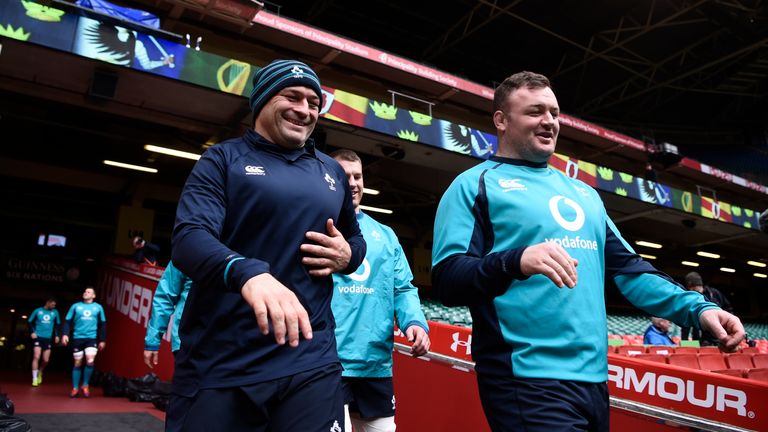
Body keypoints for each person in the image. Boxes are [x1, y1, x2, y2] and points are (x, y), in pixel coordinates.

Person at [430, 71, 745, 432]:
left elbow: (632, 272)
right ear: (501, 120)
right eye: (535, 112)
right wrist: (515, 261)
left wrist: (699, 310)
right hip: (525, 379)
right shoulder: (474, 185)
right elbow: (448, 279)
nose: (549, 121)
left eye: (555, 112)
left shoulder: (584, 194)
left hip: (594, 382)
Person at [170, 59, 366, 432]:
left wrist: (349, 255)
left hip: (311, 358)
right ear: (261, 101)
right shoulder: (222, 159)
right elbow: (189, 237)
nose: (304, 109)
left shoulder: (332, 173)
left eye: (313, 102)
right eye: (291, 96)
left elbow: (354, 240)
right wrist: (246, 273)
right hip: (225, 361)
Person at [330, 149, 430, 432]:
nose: (352, 183)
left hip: (375, 365)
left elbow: (403, 288)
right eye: (343, 176)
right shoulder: (312, 229)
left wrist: (414, 322)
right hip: (326, 362)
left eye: (357, 176)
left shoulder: (385, 236)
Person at [143, 261, 192, 368]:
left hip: (229, 345)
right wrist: (152, 342)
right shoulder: (189, 248)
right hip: (187, 343)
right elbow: (165, 296)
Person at [61, 287, 107, 398]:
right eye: (85, 291)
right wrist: (65, 334)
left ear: (93, 296)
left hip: (91, 338)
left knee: (90, 361)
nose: (85, 293)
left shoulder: (98, 307)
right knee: (77, 363)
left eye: (88, 292)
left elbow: (103, 324)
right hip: (77, 338)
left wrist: (103, 340)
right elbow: (67, 321)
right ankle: (75, 388)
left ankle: (85, 385)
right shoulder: (76, 306)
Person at [680, 271, 734, 346]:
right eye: (689, 287)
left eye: (693, 286)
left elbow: (728, 308)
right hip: (700, 339)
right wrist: (684, 343)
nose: (691, 289)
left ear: (699, 284)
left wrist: (726, 326)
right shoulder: (691, 298)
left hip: (718, 336)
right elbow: (685, 322)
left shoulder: (714, 293)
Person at [28, 298, 60, 387]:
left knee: (46, 360)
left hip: (48, 338)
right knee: (36, 356)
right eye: (52, 304)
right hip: (38, 337)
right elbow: (30, 322)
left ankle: (40, 372)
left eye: (55, 305)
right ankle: (34, 378)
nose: (54, 306)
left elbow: (57, 324)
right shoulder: (37, 311)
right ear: (48, 303)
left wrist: (57, 335)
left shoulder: (55, 312)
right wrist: (32, 332)